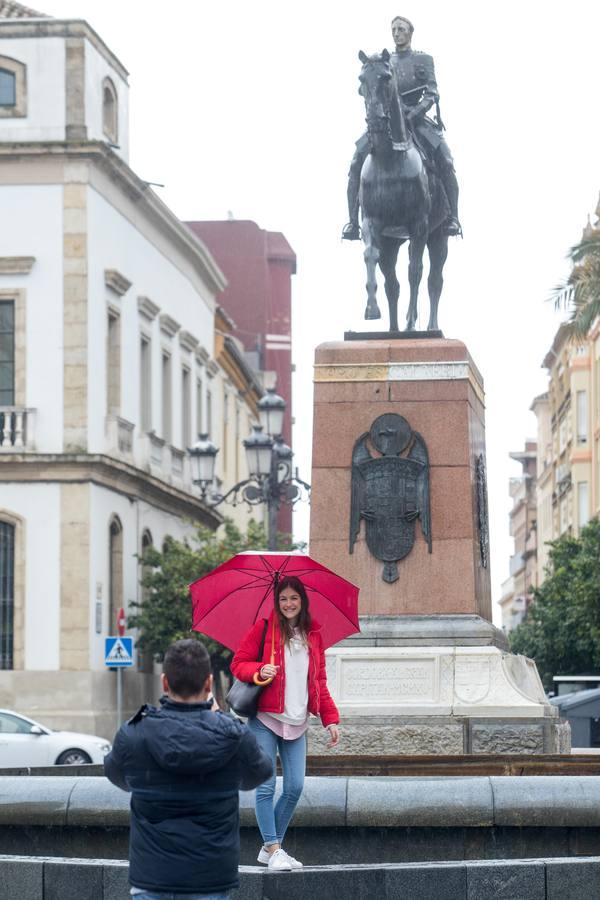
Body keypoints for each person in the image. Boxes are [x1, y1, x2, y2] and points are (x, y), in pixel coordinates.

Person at [105, 639, 273, 900]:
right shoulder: (233, 735)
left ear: (164, 682)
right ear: (208, 683)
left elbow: (116, 774)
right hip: (210, 878)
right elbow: (260, 772)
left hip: (153, 877)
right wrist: (224, 717)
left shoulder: (134, 732)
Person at [231, 575, 340, 872]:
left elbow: (320, 682)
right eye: (283, 599)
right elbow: (238, 663)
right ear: (276, 603)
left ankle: (270, 847)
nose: (288, 603)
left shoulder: (314, 636)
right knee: (265, 787)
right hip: (265, 719)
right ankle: (276, 848)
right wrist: (259, 669)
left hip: (297, 721)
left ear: (302, 601)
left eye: (293, 598)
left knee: (294, 787)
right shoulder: (264, 629)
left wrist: (330, 719)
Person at [342, 14, 461, 241]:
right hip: (385, 121)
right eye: (394, 29)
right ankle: (353, 222)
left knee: (445, 159)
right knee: (357, 160)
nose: (396, 33)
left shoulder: (423, 59)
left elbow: (432, 92)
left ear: (410, 33)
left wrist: (414, 113)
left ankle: (453, 216)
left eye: (401, 29)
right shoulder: (384, 61)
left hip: (417, 120)